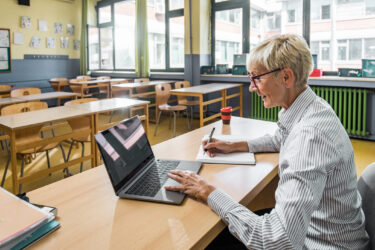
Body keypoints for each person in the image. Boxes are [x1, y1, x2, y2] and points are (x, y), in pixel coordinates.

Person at [164, 34, 369, 249]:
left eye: (257, 78)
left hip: (321, 243)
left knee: (211, 239)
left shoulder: (310, 137)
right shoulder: (309, 108)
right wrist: (235, 145)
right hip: (316, 229)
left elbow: (275, 240)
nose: (252, 87)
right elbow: (280, 138)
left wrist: (208, 191)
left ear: (286, 77)